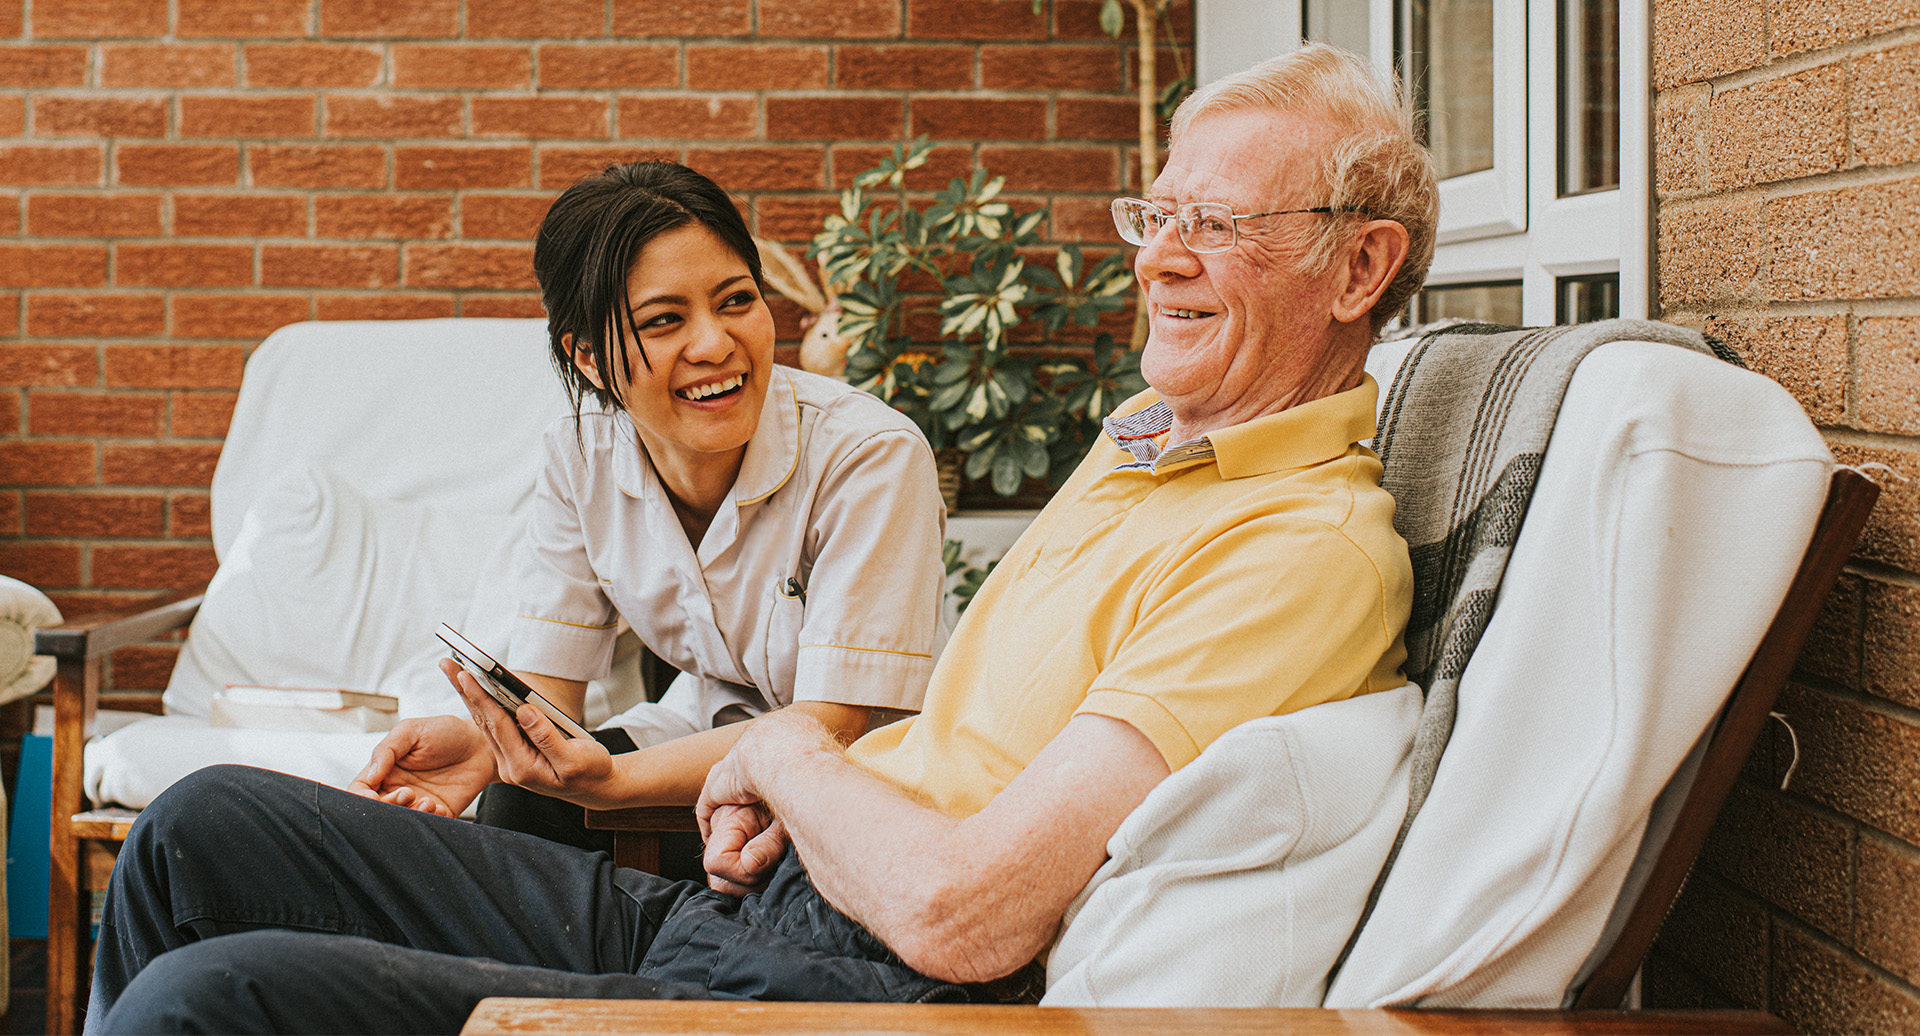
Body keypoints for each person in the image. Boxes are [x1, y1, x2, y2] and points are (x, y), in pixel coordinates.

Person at [86, 43, 1437, 1034]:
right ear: (595, 359)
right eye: (1159, 218)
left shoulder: (1298, 546)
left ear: (1359, 269)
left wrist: (785, 759)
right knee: (199, 827)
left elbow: (965, 909)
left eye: (1217, 226)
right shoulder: (1150, 443)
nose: (1158, 260)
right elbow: (928, 747)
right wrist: (755, 785)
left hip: (836, 982)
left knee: (214, 999)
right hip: (751, 901)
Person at [344, 161, 949, 856]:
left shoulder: (868, 454)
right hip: (710, 740)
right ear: (591, 358)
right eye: (664, 321)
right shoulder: (581, 456)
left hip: (862, 781)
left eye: (735, 302)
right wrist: (489, 747)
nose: (716, 344)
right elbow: (550, 691)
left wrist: (611, 782)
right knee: (523, 799)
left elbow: (831, 724)